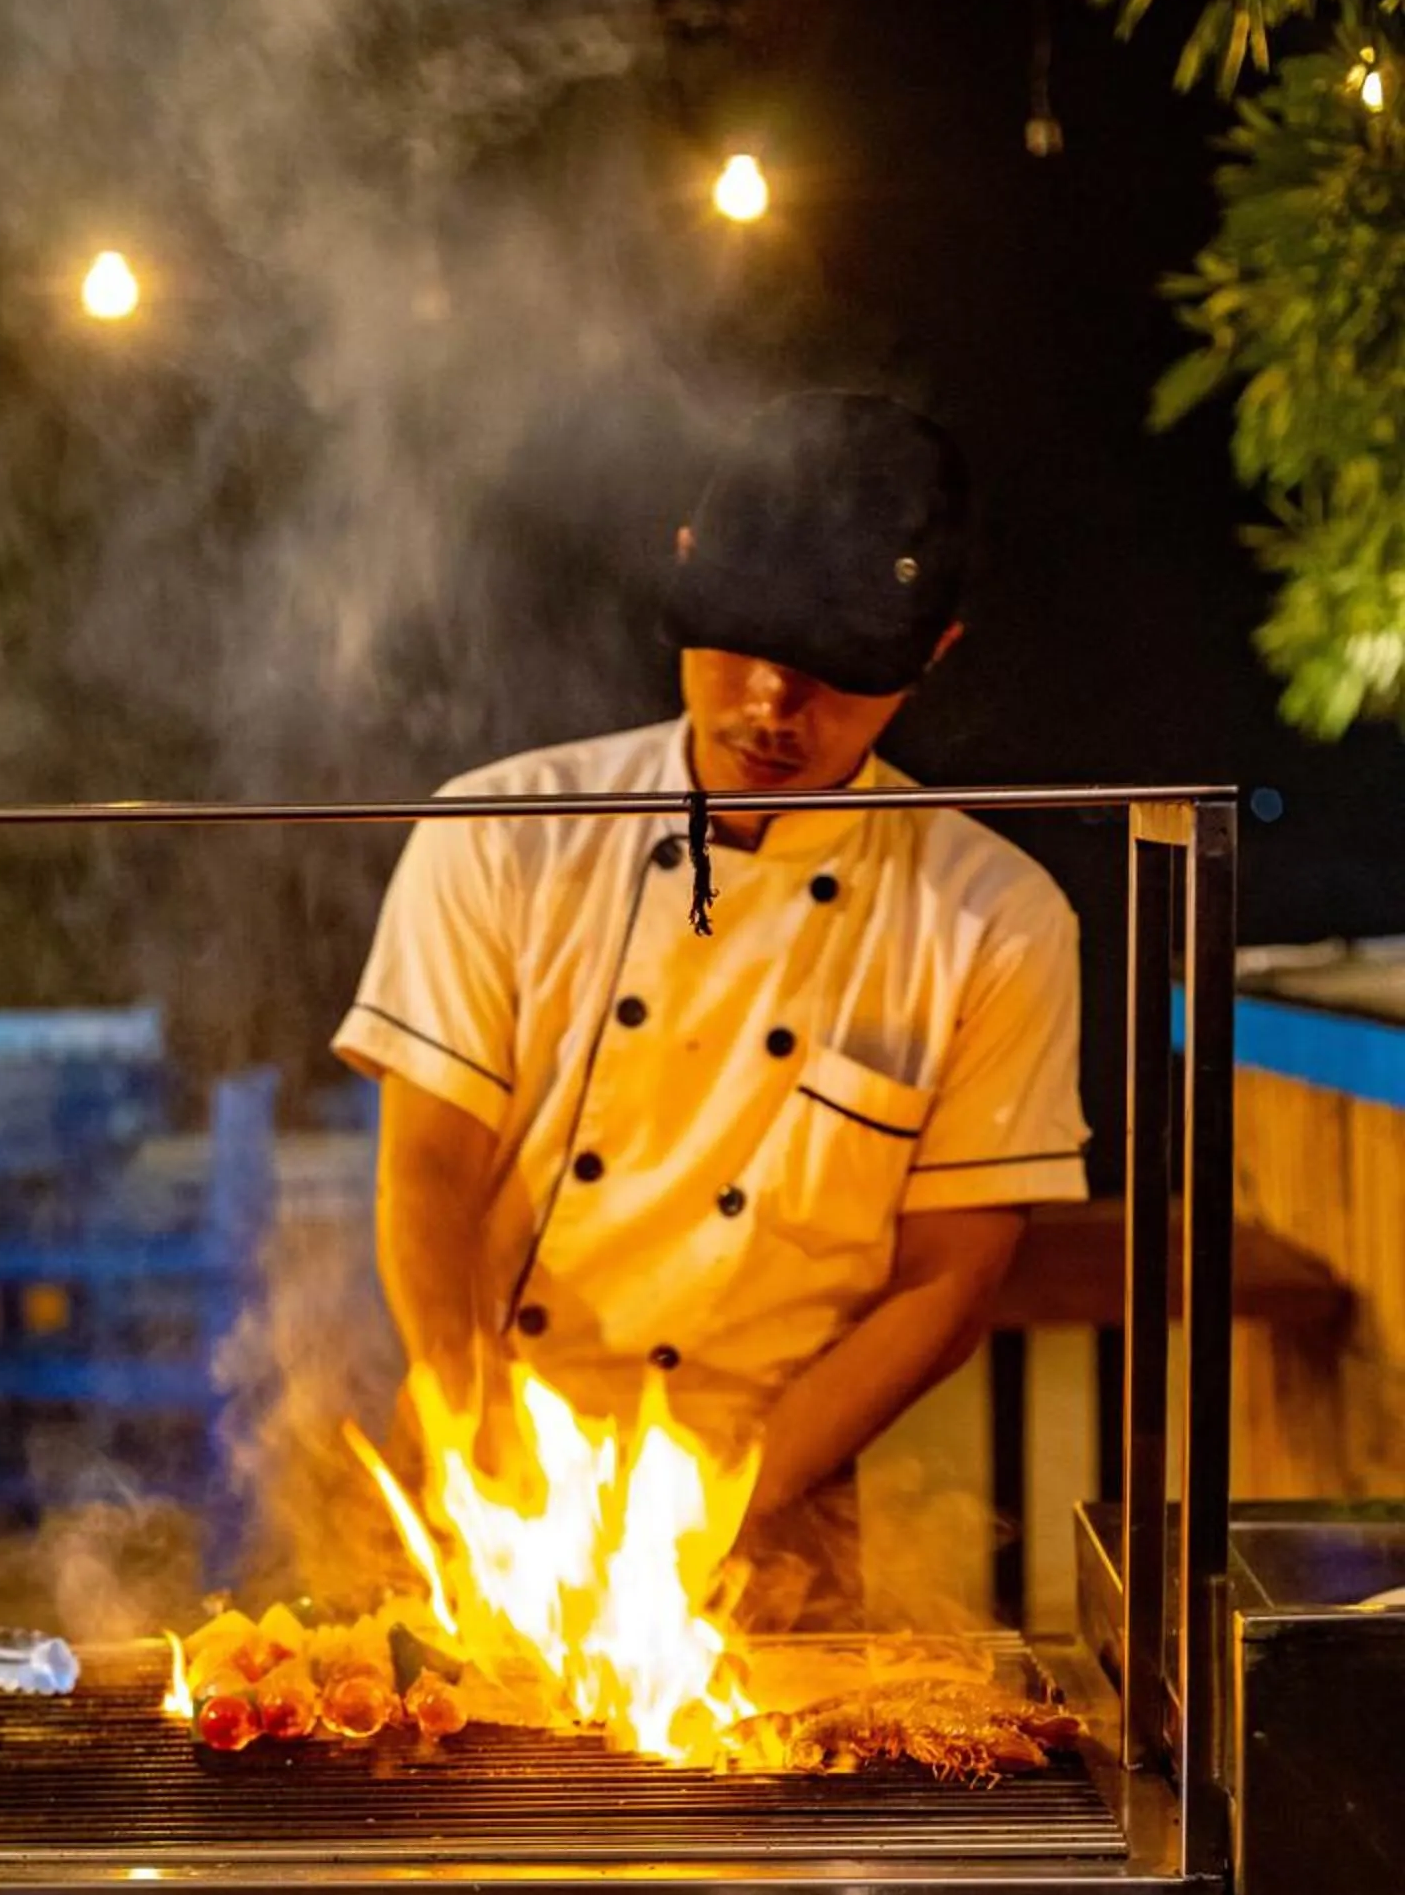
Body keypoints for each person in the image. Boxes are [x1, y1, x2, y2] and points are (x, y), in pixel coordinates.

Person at [332, 389, 1087, 1617]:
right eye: (742, 647)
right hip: (484, 1452)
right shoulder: (501, 832)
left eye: (833, 675)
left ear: (933, 653)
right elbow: (426, 1167)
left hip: (776, 1506)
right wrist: (465, 1427)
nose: (770, 710)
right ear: (684, 571)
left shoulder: (996, 919)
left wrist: (722, 1512)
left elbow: (948, 1278)